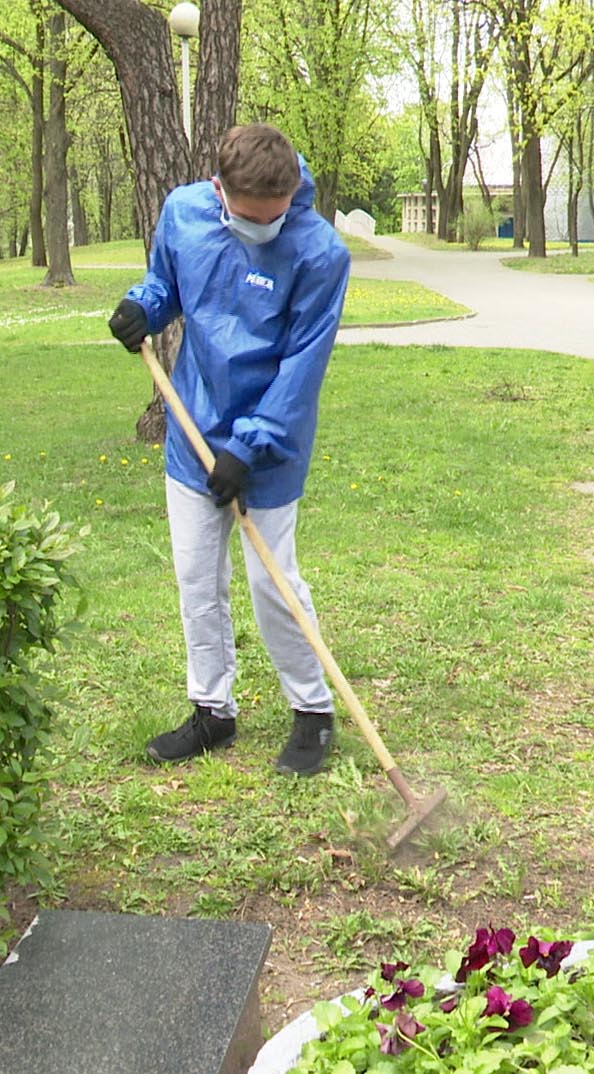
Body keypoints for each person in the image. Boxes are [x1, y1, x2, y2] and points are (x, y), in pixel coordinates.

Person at [106, 124, 351, 777]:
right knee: (196, 576)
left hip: (270, 442)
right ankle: (212, 711)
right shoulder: (184, 212)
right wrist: (143, 307)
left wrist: (249, 448)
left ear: (292, 191)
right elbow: (166, 285)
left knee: (274, 581)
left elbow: (303, 367)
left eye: (274, 218)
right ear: (220, 190)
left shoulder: (321, 253)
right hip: (193, 426)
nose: (262, 229)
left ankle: (313, 712)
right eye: (249, 219)